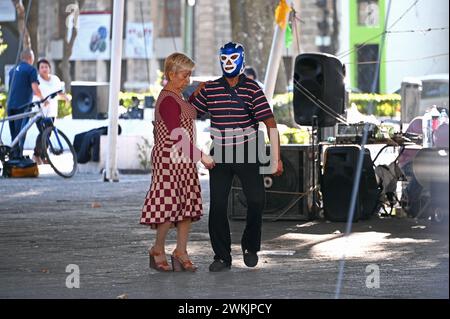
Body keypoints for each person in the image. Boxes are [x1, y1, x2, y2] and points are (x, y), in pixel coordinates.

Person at [190, 42, 284, 272]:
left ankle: (250, 247)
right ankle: (221, 257)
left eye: (233, 58)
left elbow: (270, 123)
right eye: (224, 58)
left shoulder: (253, 89)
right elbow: (188, 112)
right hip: (220, 152)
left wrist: (277, 158)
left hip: (248, 151)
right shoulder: (211, 88)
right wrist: (196, 92)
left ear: (241, 59)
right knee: (218, 206)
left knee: (256, 201)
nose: (228, 63)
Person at [140, 52, 215, 272]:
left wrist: (195, 96)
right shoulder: (168, 99)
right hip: (168, 159)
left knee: (187, 206)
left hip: (183, 158)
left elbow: (186, 113)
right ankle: (157, 248)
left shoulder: (178, 97)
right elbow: (176, 134)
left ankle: (181, 250)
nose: (188, 80)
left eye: (190, 75)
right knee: (168, 206)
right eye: (184, 75)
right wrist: (202, 156)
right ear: (171, 74)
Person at [7, 49, 46, 159]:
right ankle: (18, 158)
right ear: (30, 58)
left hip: (10, 105)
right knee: (21, 133)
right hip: (22, 106)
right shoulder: (31, 70)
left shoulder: (13, 70)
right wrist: (43, 99)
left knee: (14, 135)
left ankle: (13, 157)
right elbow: (35, 88)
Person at [32, 58, 69, 164]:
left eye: (46, 67)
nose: (44, 69)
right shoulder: (37, 79)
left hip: (51, 111)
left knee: (48, 133)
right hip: (39, 111)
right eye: (42, 67)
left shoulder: (55, 79)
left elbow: (59, 92)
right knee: (43, 133)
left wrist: (66, 98)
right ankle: (37, 155)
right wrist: (43, 100)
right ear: (38, 69)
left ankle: (42, 156)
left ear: (50, 68)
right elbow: (35, 92)